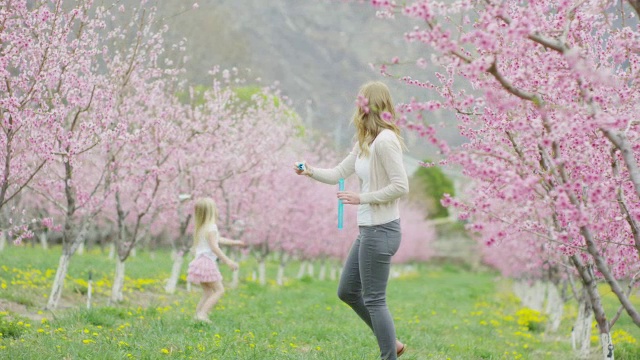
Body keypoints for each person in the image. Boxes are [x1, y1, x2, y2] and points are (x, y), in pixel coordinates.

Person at [294, 81, 409, 359]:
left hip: (382, 230)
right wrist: (310, 171)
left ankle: (388, 355)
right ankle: (391, 343)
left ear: (369, 105)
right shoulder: (365, 142)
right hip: (368, 230)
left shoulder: (386, 142)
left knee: (374, 299)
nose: (357, 108)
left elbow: (401, 186)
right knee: (347, 291)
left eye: (361, 102)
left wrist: (362, 197)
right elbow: (337, 174)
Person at [187, 197, 244, 323]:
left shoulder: (202, 228)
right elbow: (214, 247)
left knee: (207, 292)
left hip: (198, 262)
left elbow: (218, 239)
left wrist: (234, 242)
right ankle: (202, 315)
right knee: (219, 290)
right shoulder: (211, 227)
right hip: (207, 263)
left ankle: (197, 317)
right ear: (211, 212)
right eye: (216, 208)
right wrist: (228, 261)